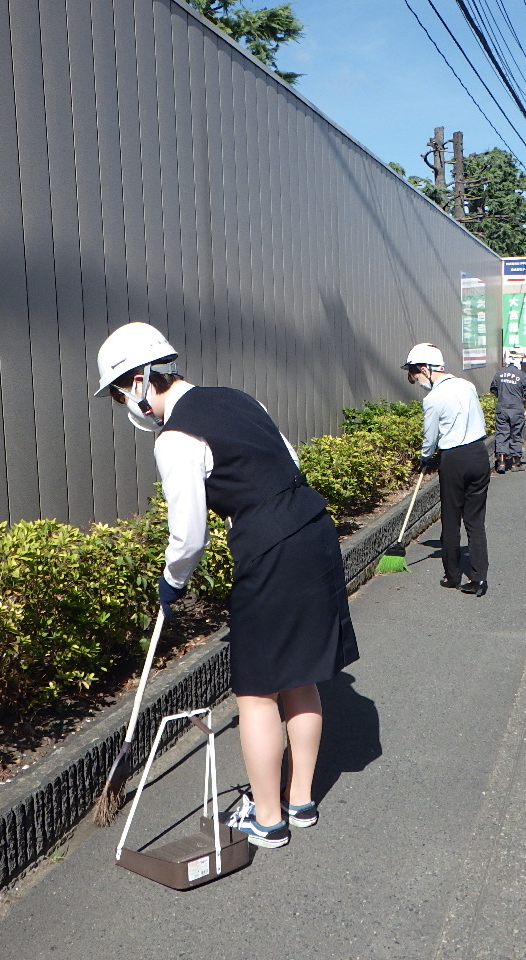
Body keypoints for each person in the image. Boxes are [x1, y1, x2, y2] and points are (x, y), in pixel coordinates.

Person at [94, 322, 359, 849]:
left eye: (120, 393)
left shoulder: (176, 438)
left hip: (271, 552)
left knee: (257, 693)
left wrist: (172, 582)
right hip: (315, 530)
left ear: (140, 382)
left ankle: (268, 820)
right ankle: (300, 802)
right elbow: (290, 462)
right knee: (302, 678)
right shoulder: (239, 398)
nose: (123, 404)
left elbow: (188, 536)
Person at [402, 343, 490, 597]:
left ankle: (452, 575)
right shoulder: (467, 385)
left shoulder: (433, 398)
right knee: (475, 520)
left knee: (451, 518)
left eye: (414, 373)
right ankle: (479, 578)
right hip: (479, 453)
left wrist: (424, 457)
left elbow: (430, 437)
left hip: (454, 458)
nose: (415, 379)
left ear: (425, 368)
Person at [489, 349, 526, 473]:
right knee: (516, 434)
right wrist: (521, 399)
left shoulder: (499, 374)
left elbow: (493, 389)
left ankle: (501, 463)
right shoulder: (523, 376)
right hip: (517, 409)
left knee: (501, 434)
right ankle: (515, 463)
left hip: (502, 408)